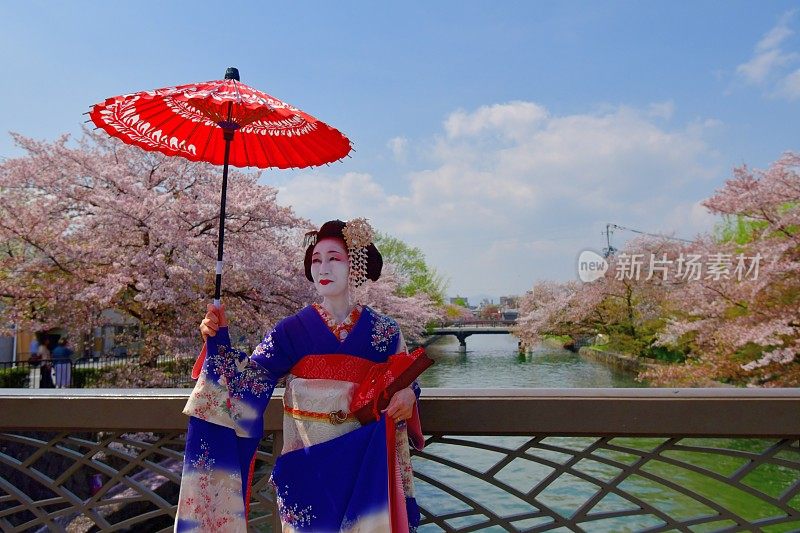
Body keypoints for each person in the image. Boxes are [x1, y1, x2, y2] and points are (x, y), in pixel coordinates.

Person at [175, 219, 426, 532]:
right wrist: (217, 338)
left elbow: (406, 379)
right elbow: (246, 383)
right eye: (316, 260)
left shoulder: (384, 332)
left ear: (355, 265)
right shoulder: (291, 330)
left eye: (334, 259)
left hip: (363, 465)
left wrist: (407, 396)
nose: (323, 268)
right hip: (307, 467)